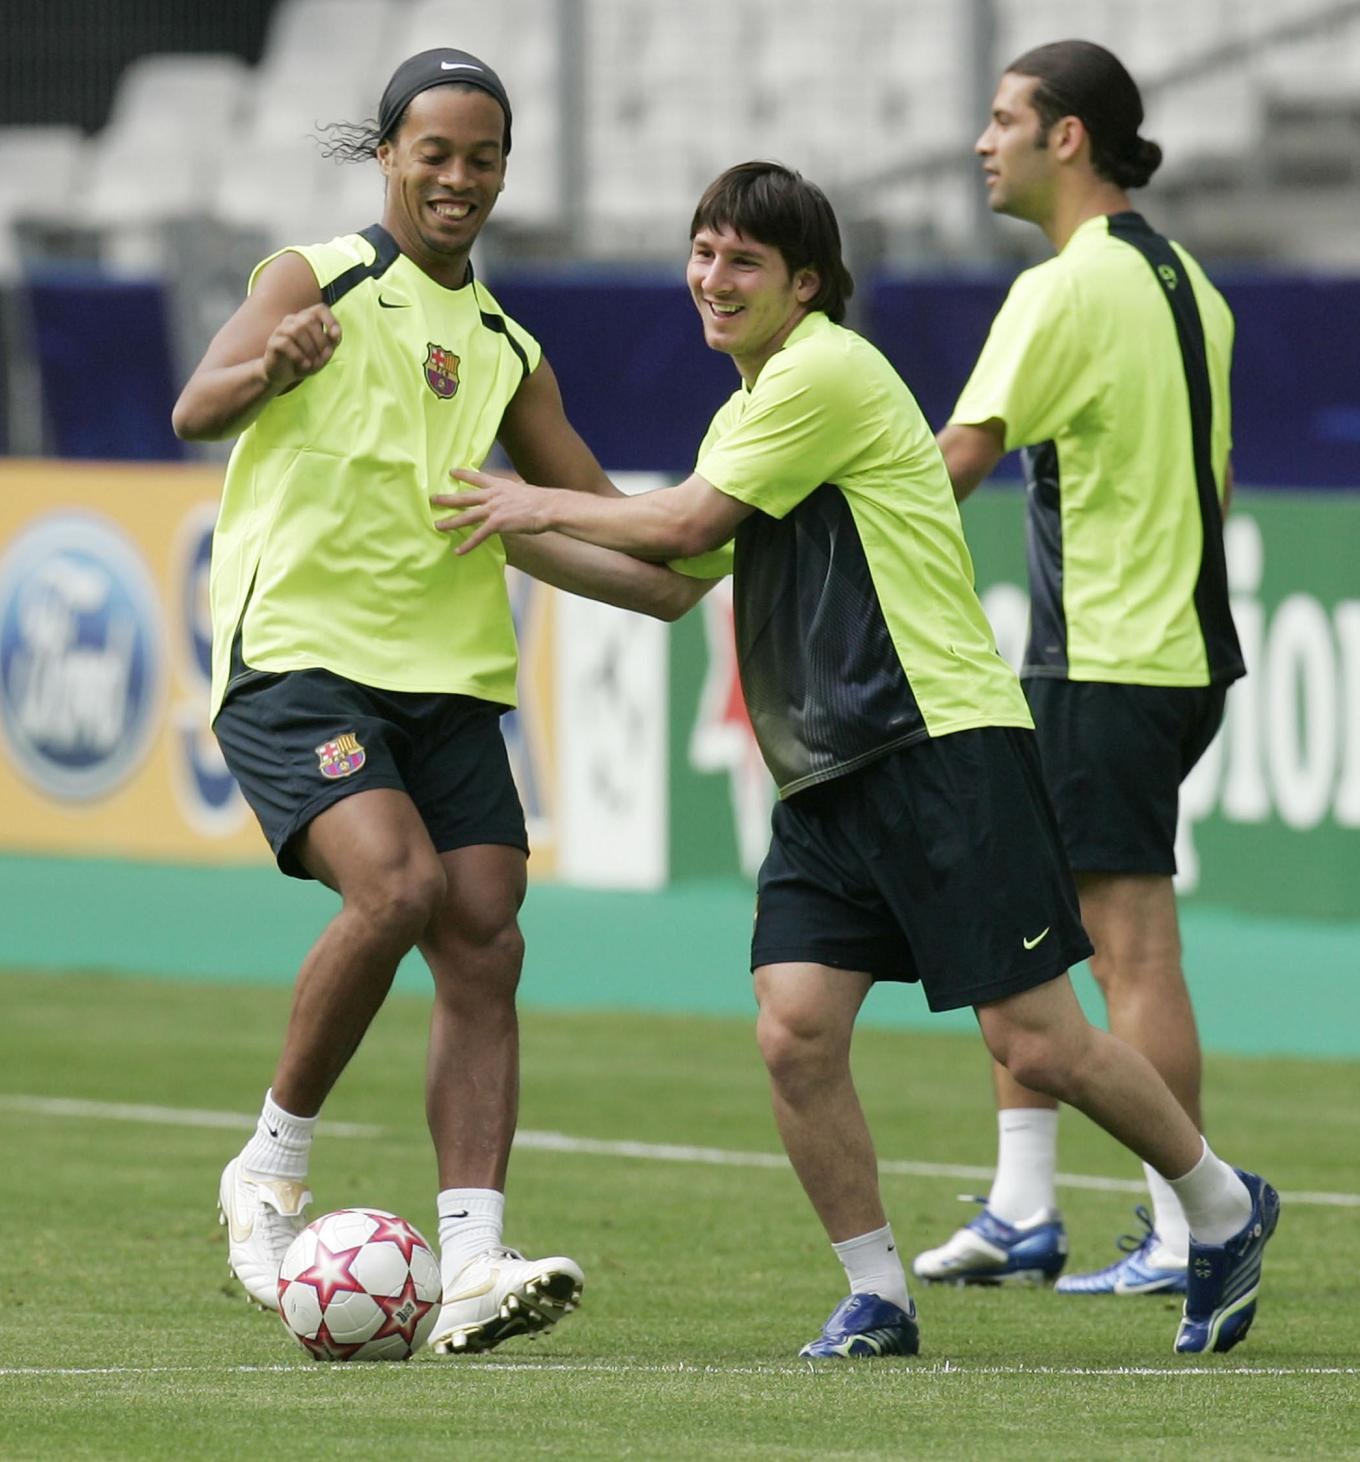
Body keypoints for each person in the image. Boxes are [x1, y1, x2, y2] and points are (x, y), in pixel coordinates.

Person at [433, 159, 1278, 1359]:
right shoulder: (756, 408)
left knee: (1036, 1041)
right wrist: (497, 537)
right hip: (829, 774)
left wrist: (530, 505)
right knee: (794, 1026)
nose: (712, 280)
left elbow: (675, 525)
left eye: (744, 263)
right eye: (703, 253)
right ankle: (878, 1294)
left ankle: (1222, 1207)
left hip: (939, 746)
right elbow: (670, 587)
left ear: (806, 287)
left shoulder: (823, 371)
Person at [171, 48, 715, 1355]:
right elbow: (197, 407)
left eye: (482, 157)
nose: (459, 178)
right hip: (300, 654)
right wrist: (273, 367)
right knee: (398, 886)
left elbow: (605, 529)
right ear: (389, 157)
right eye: (436, 154)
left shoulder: (509, 349)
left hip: (448, 677)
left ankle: (472, 1259)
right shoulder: (318, 279)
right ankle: (269, 1166)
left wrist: (717, 542)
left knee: (485, 931)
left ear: (504, 169)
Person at [911, 40, 1250, 1299]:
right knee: (1029, 928)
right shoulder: (1190, 285)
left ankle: (1185, 1225)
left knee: (1127, 952)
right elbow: (1212, 484)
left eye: (1005, 119)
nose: (983, 141)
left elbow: (952, 462)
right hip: (1174, 653)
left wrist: (800, 525)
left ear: (1068, 137)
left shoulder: (1066, 289)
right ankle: (1022, 1209)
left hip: (1103, 660)